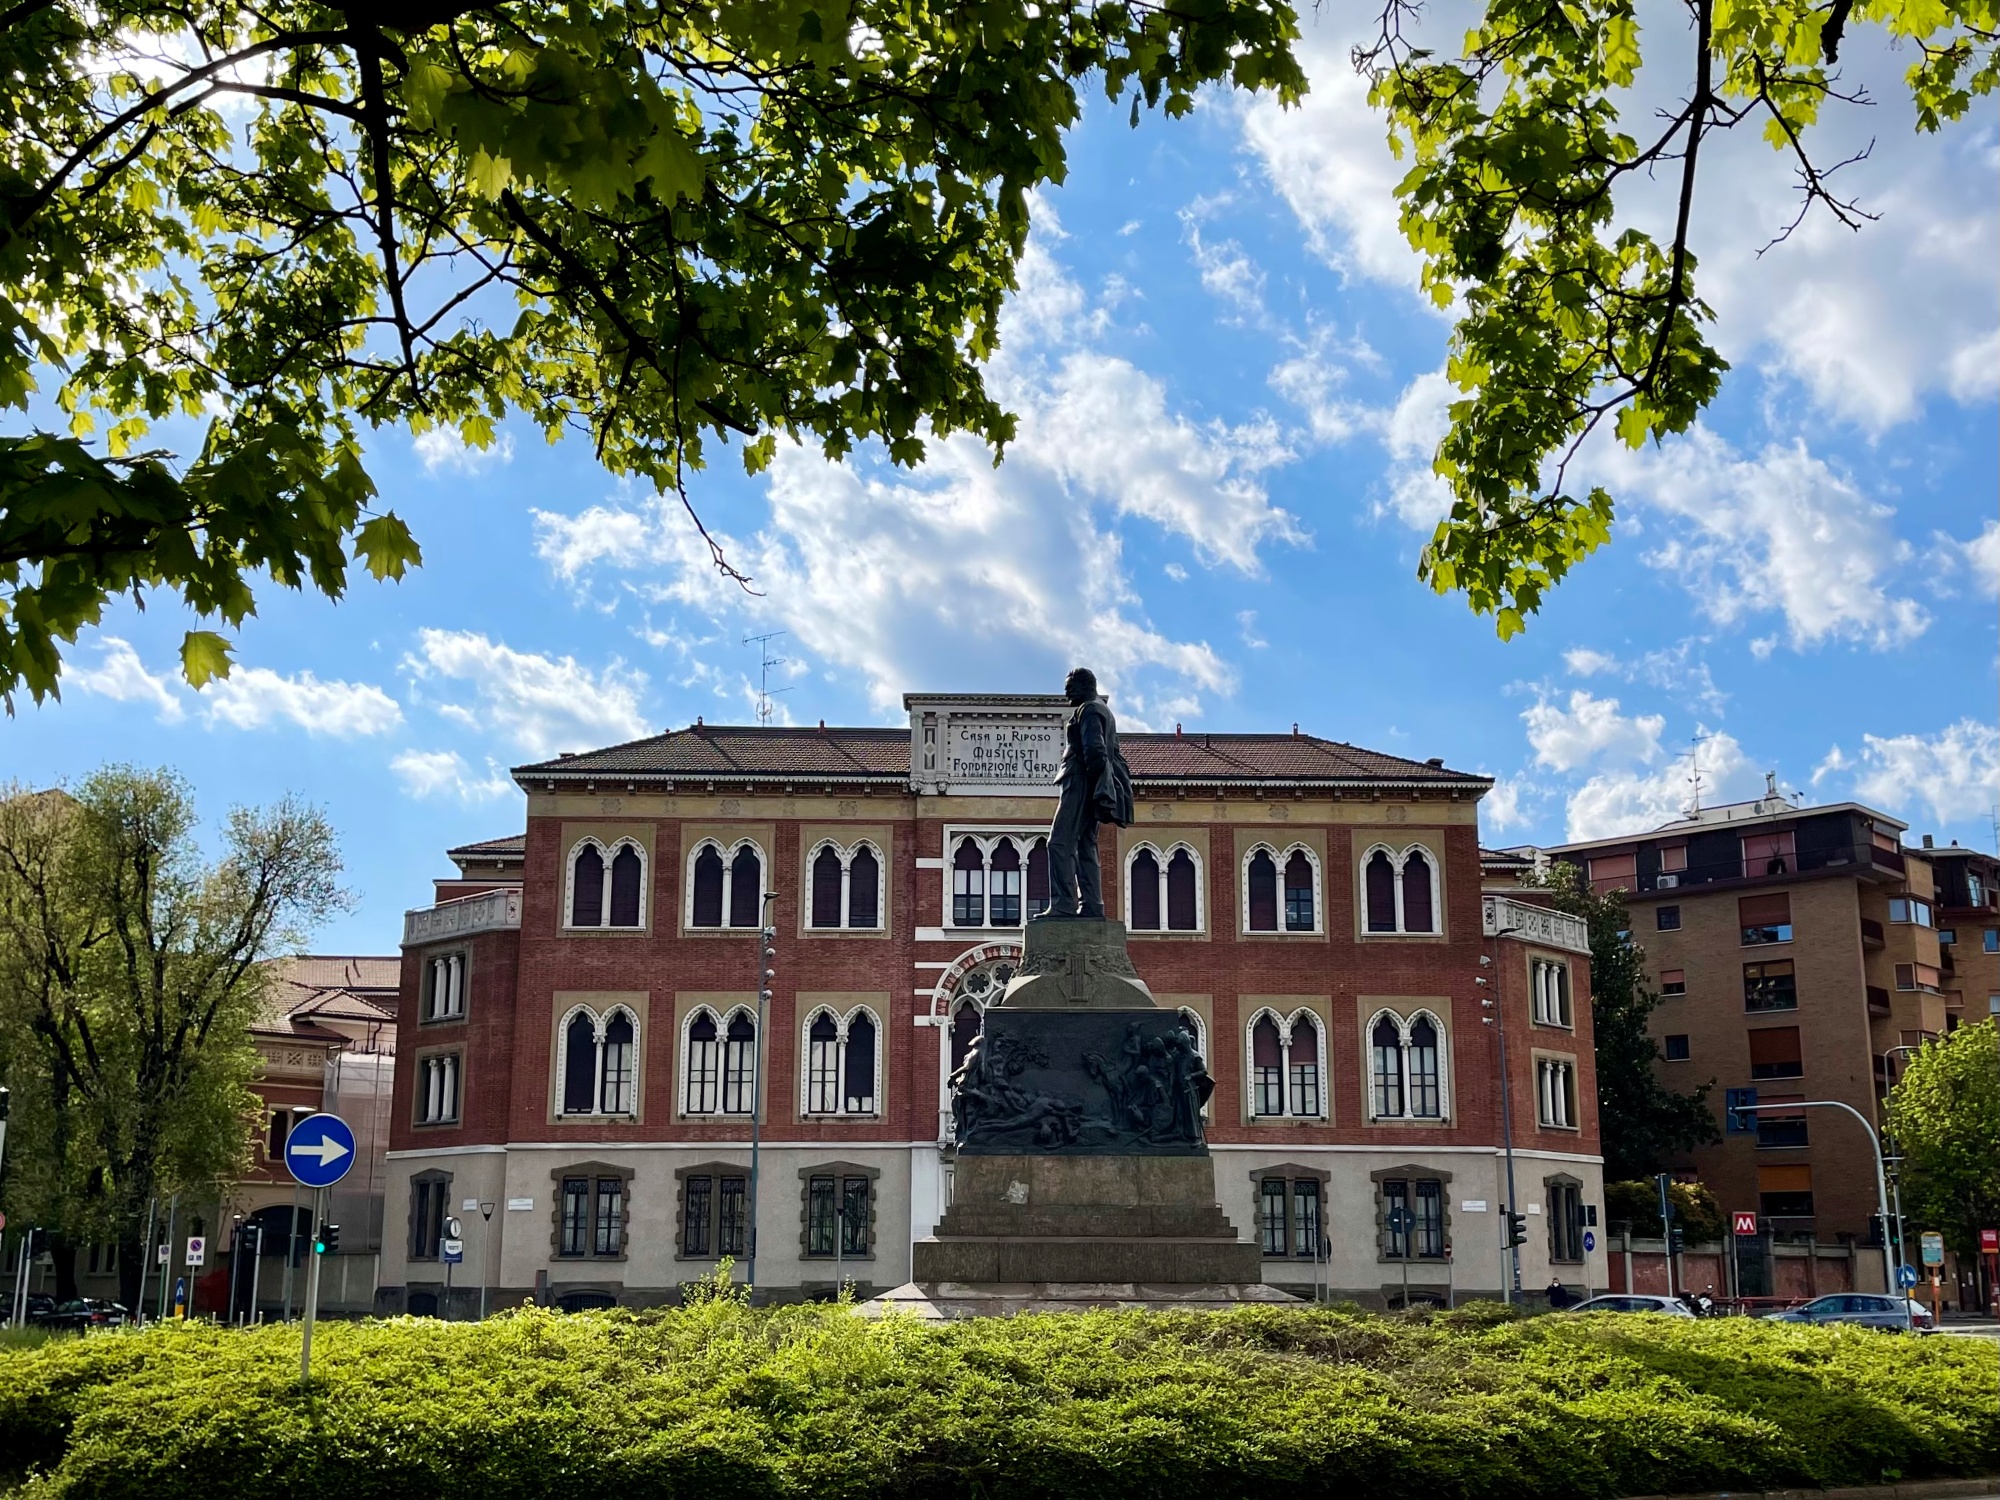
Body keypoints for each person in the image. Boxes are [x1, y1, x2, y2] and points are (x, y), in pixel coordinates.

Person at [1045, 667, 1134, 919]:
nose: (1066, 692)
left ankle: (1063, 904)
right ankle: (1092, 905)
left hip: (1080, 782)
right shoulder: (1101, 710)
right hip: (1089, 783)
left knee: (1059, 843)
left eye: (1070, 686)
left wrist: (1095, 788)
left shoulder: (1090, 710)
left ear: (1086, 685)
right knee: (1086, 845)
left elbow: (1094, 750)